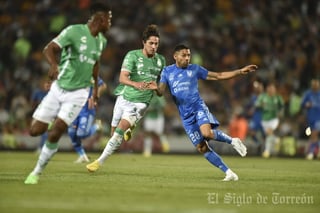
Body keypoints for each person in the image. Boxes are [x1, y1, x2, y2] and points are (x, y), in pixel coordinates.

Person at [24, 2, 112, 184]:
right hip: (58, 88)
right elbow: (49, 48)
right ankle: (49, 121)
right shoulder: (74, 31)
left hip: (79, 94)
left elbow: (95, 65)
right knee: (34, 131)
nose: (110, 23)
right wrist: (53, 64)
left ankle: (36, 172)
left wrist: (95, 90)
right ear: (101, 19)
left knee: (56, 132)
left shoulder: (102, 41)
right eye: (109, 19)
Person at [153, 44, 257, 181]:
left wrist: (239, 72)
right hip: (185, 116)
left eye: (188, 55)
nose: (187, 58)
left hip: (198, 107)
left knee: (206, 133)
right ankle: (229, 172)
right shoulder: (167, 71)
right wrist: (153, 87)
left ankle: (233, 141)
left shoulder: (195, 69)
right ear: (175, 56)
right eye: (184, 55)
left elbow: (218, 76)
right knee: (202, 147)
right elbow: (160, 92)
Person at [86, 24, 166, 172]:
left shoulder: (161, 61)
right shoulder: (132, 55)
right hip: (124, 97)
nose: (154, 46)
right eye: (151, 43)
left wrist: (157, 88)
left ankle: (98, 162)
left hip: (141, 103)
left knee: (119, 132)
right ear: (144, 42)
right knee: (113, 134)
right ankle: (129, 128)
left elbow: (161, 91)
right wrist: (136, 84)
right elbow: (122, 78)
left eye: (156, 43)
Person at [68, 77, 107, 163]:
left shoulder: (89, 74)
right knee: (71, 132)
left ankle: (97, 126)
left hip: (86, 110)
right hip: (74, 109)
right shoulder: (72, 75)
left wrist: (95, 96)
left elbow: (103, 85)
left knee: (82, 134)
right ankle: (82, 155)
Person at [255, 82, 284, 158]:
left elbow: (282, 106)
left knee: (269, 132)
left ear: (275, 90)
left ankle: (267, 151)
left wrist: (280, 113)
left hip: (274, 119)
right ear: (267, 89)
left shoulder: (278, 97)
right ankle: (276, 140)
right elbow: (256, 104)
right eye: (270, 89)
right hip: (264, 119)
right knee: (268, 135)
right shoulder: (263, 97)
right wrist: (261, 105)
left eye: (272, 89)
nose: (271, 90)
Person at [300, 78, 320, 160]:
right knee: (313, 136)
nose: (315, 86)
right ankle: (314, 151)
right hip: (310, 118)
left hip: (318, 118)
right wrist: (306, 105)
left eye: (316, 85)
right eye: (313, 85)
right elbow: (302, 104)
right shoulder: (308, 94)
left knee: (314, 134)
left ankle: (311, 153)